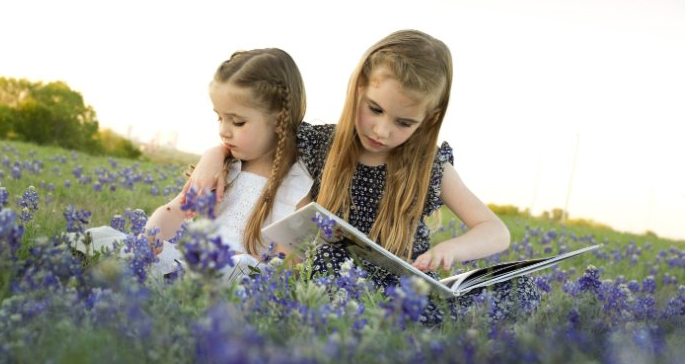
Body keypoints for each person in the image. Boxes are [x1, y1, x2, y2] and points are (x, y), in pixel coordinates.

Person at [190, 30, 514, 323]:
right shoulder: (322, 143)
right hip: (330, 279)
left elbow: (495, 231)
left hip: (401, 293)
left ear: (429, 120)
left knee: (518, 287)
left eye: (404, 123)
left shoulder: (431, 168)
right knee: (327, 256)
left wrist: (451, 250)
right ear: (358, 89)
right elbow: (258, 140)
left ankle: (415, 324)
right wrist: (215, 155)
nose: (382, 130)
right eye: (375, 109)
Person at [76, 47, 312, 278]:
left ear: (279, 120)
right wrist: (147, 240)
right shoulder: (224, 168)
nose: (223, 131)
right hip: (193, 260)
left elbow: (285, 266)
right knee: (101, 239)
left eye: (238, 122)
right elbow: (174, 210)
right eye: (219, 118)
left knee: (227, 271)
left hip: (239, 277)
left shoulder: (300, 185)